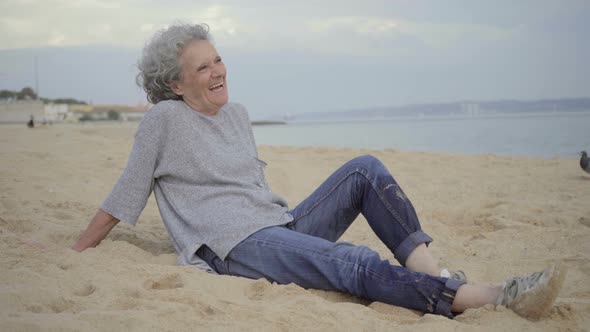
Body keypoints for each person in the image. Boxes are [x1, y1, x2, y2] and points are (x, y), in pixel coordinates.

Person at [72, 23, 566, 320]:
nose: (217, 71)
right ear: (175, 84)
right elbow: (127, 193)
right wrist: (77, 250)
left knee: (364, 171)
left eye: (218, 59)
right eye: (201, 68)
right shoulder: (164, 120)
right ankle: (488, 296)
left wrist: (286, 227)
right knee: (349, 261)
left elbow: (251, 188)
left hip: (275, 226)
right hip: (231, 246)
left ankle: (431, 272)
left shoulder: (238, 114)